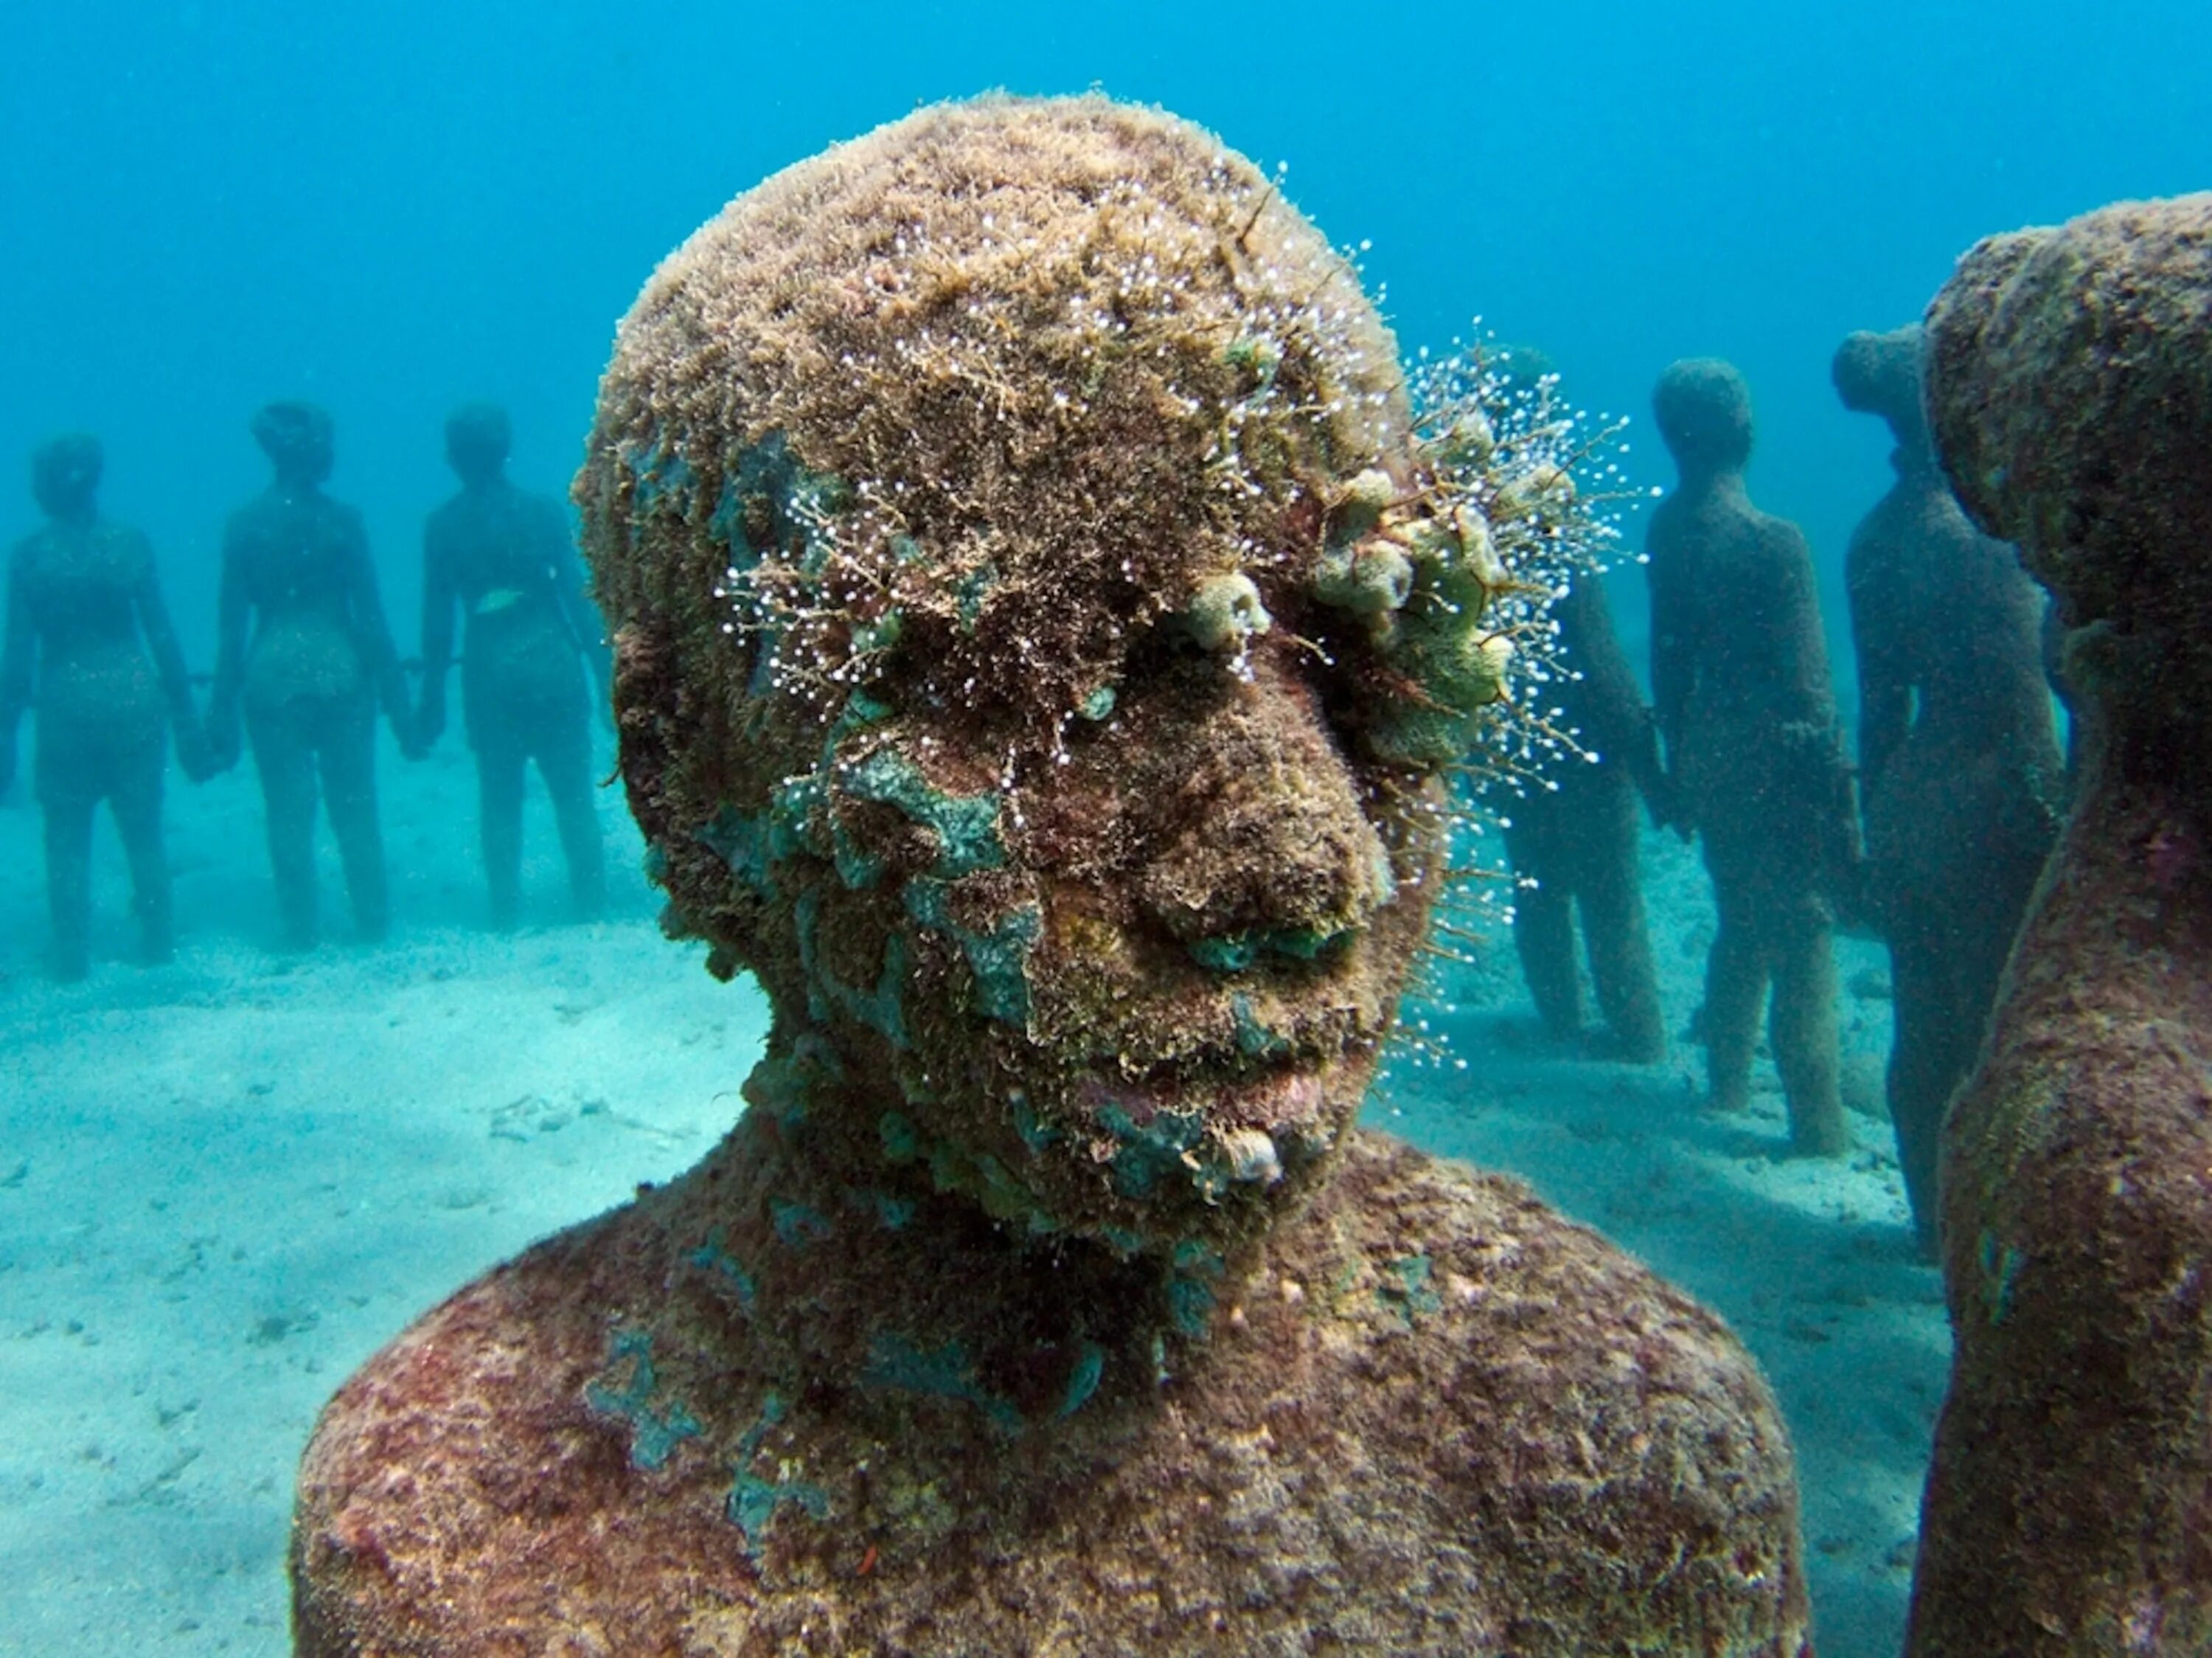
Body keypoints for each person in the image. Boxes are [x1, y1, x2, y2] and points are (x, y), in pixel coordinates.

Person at [291, 99, 1810, 1657]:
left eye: (1375, 648)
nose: (1305, 866)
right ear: (687, 787)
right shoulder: (476, 1575)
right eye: (1035, 684)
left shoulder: (1635, 1476)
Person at [1833, 325, 2062, 1255]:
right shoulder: (1998, 531)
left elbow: (1880, 712)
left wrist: (1866, 827)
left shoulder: (1875, 538)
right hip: (1999, 793)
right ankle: (1994, 1237)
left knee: (1925, 1020)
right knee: (2004, 1027)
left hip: (1912, 800)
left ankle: (1934, 1223)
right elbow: (2040, 690)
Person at [1646, 358, 1855, 1156]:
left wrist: (1672, 766)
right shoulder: (1776, 542)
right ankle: (1819, 1125)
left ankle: (1727, 1083)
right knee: (1802, 931)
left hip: (1708, 748)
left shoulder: (1666, 529)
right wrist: (1834, 790)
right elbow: (1810, 687)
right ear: (1738, 428)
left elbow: (1668, 666)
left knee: (1738, 918)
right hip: (1777, 757)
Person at [0, 434, 209, 978]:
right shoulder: (129, 543)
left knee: (66, 832)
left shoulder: (30, 556)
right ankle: (159, 942)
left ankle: (71, 955)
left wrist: (5, 738)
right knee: (142, 826)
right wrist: (186, 720)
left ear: (49, 484)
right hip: (134, 696)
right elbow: (161, 635)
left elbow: (18, 659)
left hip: (65, 705)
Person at [207, 401, 415, 948]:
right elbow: (371, 621)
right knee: (355, 802)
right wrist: (400, 706)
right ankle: (372, 921)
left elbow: (231, 633)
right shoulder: (342, 522)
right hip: (340, 672)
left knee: (287, 809)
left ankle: (300, 928)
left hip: (270, 676)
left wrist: (219, 713)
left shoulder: (245, 526)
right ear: (313, 449)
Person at [416, 403, 608, 928]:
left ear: (453, 458)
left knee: (499, 794)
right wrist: (604, 673)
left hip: (489, 674)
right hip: (553, 664)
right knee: (572, 793)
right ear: (506, 451)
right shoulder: (543, 513)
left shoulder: (444, 526)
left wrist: (431, 696)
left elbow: (437, 623)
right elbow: (578, 600)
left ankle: (506, 909)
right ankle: (590, 902)